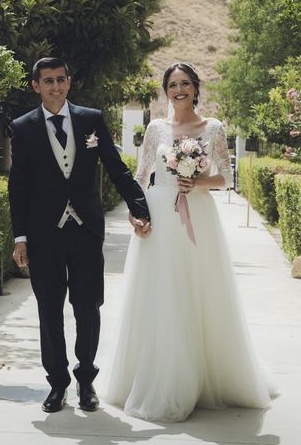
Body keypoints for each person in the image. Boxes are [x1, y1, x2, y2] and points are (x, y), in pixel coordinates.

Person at [105, 62, 276, 422]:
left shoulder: (212, 127)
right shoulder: (155, 129)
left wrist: (195, 183)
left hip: (197, 218)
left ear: (196, 88)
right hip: (159, 219)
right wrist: (137, 216)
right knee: (161, 294)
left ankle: (201, 377)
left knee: (197, 293)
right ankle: (161, 377)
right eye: (172, 85)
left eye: (185, 84)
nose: (179, 90)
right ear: (165, 90)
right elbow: (141, 175)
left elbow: (226, 178)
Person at [8, 57, 151, 413]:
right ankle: (57, 384)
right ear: (35, 86)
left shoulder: (91, 119)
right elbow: (19, 186)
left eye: (60, 80)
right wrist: (20, 237)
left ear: (69, 83)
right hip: (44, 235)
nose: (55, 86)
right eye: (48, 81)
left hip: (85, 230)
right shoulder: (23, 127)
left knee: (88, 307)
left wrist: (138, 205)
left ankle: (86, 380)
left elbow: (116, 167)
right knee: (49, 310)